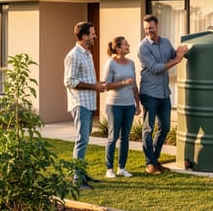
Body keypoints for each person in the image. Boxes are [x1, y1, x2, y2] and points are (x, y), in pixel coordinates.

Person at [138, 14, 188, 174]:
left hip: (164, 92)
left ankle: (155, 160)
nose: (148, 31)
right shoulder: (143, 47)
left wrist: (182, 52)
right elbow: (155, 68)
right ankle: (150, 164)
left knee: (165, 127)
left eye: (151, 28)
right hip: (149, 92)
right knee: (148, 128)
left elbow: (174, 55)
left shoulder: (165, 42)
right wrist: (176, 60)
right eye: (146, 29)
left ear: (157, 27)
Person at [63, 21, 105, 189]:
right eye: (93, 33)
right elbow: (69, 81)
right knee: (82, 140)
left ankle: (81, 173)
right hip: (79, 104)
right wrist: (94, 86)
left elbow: (84, 79)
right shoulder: (73, 55)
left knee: (85, 140)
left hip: (88, 103)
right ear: (85, 36)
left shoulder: (87, 53)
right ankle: (77, 178)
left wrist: (96, 84)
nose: (95, 36)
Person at [102, 36, 140, 179]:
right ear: (118, 48)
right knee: (113, 137)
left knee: (125, 137)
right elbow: (106, 85)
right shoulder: (111, 63)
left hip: (129, 105)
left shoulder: (131, 63)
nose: (128, 45)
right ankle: (109, 169)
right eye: (125, 44)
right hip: (114, 105)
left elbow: (134, 85)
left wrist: (137, 104)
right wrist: (123, 82)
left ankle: (121, 168)